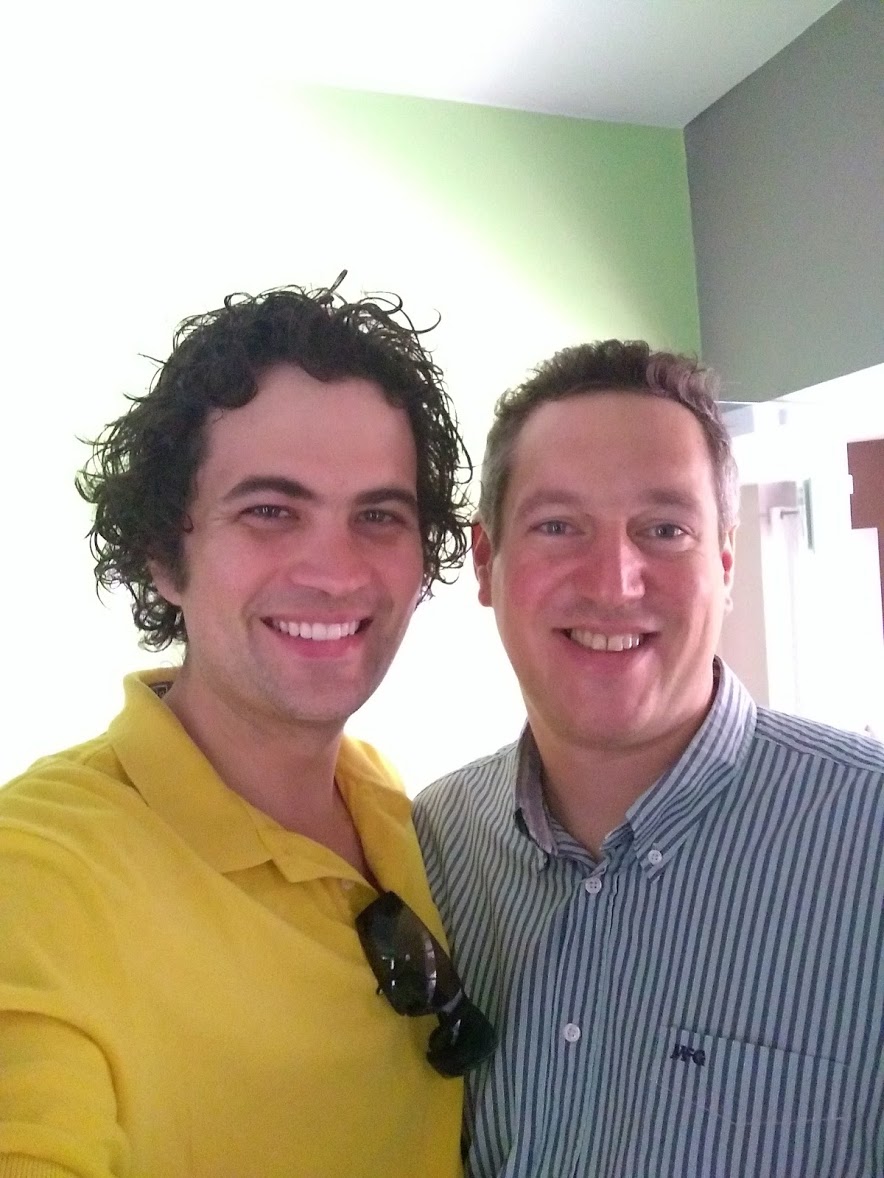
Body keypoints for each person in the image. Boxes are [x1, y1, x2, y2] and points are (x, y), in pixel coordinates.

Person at [0, 280, 477, 1178]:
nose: (336, 572)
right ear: (162, 553)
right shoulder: (40, 873)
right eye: (270, 511)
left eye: (378, 515)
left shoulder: (398, 813)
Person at [414, 340, 884, 1177]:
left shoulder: (870, 838)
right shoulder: (428, 847)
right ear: (486, 564)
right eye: (558, 526)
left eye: (665, 529)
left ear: (725, 565)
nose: (613, 582)